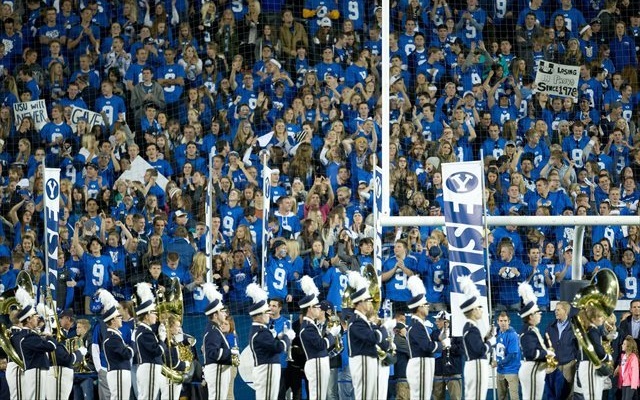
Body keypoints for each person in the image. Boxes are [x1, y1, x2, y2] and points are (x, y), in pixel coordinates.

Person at [346, 271, 391, 399]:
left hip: (367, 360)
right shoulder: (356, 322)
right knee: (365, 396)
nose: (370, 304)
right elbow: (373, 338)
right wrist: (384, 327)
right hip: (362, 361)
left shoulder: (362, 320)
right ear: (360, 303)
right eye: (367, 301)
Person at [247, 283, 294, 400]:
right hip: (266, 371)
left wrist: (279, 338)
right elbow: (278, 348)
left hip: (266, 370)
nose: (269, 315)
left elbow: (271, 345)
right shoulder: (261, 332)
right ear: (259, 315)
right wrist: (287, 337)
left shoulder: (260, 330)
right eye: (266, 312)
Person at [298, 276, 339, 400]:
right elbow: (321, 345)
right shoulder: (308, 327)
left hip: (319, 363)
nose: (319, 309)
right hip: (316, 364)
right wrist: (332, 334)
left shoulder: (311, 325)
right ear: (309, 309)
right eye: (316, 306)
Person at [406, 275, 446, 399]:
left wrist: (438, 340)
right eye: (425, 305)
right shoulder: (417, 325)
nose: (428, 306)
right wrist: (442, 345)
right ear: (418, 308)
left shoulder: (418, 324)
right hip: (420, 364)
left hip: (422, 363)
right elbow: (426, 346)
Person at [15, 287, 57, 400]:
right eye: (34, 316)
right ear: (28, 319)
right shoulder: (29, 337)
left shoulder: (30, 335)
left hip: (36, 371)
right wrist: (49, 336)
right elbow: (51, 346)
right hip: (36, 371)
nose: (37, 318)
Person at [459, 275, 494, 400]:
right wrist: (490, 343)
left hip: (473, 365)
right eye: (478, 308)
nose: (481, 310)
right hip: (477, 364)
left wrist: (486, 338)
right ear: (473, 311)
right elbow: (480, 350)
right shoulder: (471, 328)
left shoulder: (470, 327)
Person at [202, 282, 235, 400]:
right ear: (215, 315)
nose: (224, 313)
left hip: (218, 370)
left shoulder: (215, 329)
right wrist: (230, 353)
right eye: (221, 311)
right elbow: (213, 352)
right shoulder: (212, 330)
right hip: (217, 370)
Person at [518, 283, 551, 400]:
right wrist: (547, 354)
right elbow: (531, 353)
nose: (540, 314)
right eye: (537, 312)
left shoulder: (531, 329)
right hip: (532, 369)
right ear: (531, 316)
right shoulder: (528, 331)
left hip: (534, 369)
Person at [100, 289, 134, 400]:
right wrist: (132, 343)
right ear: (113, 320)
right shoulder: (113, 338)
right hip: (118, 372)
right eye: (119, 317)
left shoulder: (114, 336)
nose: (121, 319)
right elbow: (127, 354)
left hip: (119, 372)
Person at [133, 283, 164, 400]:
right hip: (149, 367)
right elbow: (156, 351)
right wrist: (162, 339)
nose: (156, 316)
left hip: (148, 368)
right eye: (153, 313)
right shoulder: (145, 331)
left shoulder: (144, 330)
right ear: (146, 316)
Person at [544, 301, 579, 400]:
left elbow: (577, 346)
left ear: (566, 311)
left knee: (568, 394)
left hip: (569, 365)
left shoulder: (574, 327)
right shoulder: (550, 327)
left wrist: (575, 360)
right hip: (554, 366)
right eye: (555, 309)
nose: (556, 312)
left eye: (558, 310)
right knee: (554, 394)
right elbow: (545, 344)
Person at [493, 312, 521, 400]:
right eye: (501, 321)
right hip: (500, 370)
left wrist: (498, 363)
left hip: (511, 370)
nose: (503, 323)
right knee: (501, 397)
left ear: (509, 321)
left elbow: (512, 355)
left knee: (514, 397)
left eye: (505, 320)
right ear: (498, 322)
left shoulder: (512, 335)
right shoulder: (498, 332)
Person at [615, 335, 639, 400]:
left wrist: (633, 386)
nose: (622, 345)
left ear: (628, 346)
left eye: (624, 344)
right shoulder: (623, 356)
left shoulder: (633, 357)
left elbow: (635, 373)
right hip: (624, 383)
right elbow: (622, 370)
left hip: (630, 384)